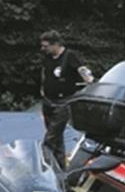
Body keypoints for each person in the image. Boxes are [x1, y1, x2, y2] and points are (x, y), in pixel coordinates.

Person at [39, 31, 95, 162]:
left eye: (46, 46)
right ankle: (59, 169)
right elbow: (44, 74)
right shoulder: (47, 57)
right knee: (57, 140)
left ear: (56, 44)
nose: (43, 49)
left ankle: (42, 161)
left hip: (64, 101)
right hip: (48, 101)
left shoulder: (69, 56)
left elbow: (83, 71)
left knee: (51, 137)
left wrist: (91, 83)